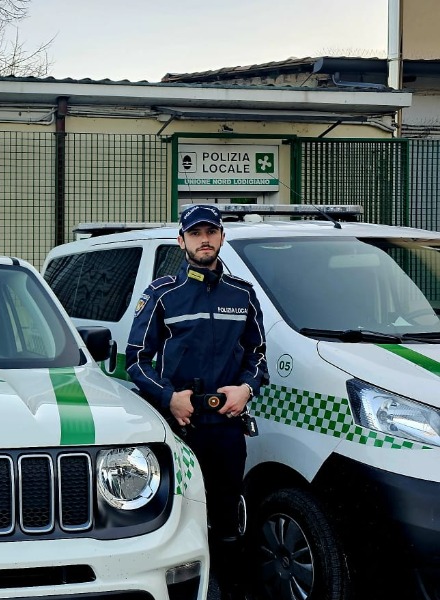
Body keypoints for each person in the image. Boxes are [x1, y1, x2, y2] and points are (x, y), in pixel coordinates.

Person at [125, 204, 268, 600]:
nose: (204, 239)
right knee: (177, 516)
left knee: (225, 518)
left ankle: (229, 589)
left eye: (211, 232)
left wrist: (246, 389)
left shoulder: (242, 294)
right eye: (195, 233)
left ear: (221, 237)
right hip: (180, 428)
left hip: (226, 429)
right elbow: (135, 360)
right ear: (181, 240)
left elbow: (258, 354)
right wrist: (169, 398)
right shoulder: (162, 294)